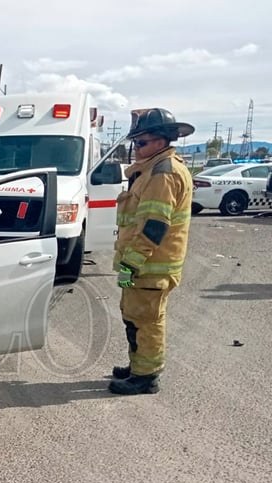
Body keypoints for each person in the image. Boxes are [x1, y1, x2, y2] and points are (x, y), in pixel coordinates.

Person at [110, 108, 194, 395]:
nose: (136, 149)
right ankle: (138, 367)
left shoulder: (163, 173)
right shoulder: (151, 170)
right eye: (135, 143)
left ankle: (146, 377)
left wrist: (131, 263)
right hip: (144, 264)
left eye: (141, 143)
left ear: (161, 142)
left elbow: (154, 225)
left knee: (147, 321)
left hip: (149, 265)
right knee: (135, 316)